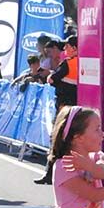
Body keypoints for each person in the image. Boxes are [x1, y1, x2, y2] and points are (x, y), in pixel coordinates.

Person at [34, 39, 76, 185]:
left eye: (67, 46)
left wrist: (51, 75)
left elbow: (51, 80)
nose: (64, 48)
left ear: (74, 48)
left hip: (63, 106)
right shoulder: (84, 62)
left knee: (57, 140)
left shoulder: (68, 63)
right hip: (78, 107)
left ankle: (50, 174)